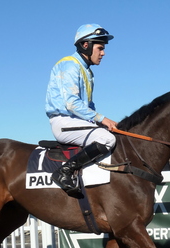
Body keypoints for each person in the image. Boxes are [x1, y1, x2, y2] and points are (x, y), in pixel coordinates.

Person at [45, 24, 117, 195]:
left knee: (113, 134)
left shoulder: (87, 71)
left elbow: (88, 107)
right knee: (108, 140)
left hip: (76, 121)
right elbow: (71, 103)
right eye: (100, 48)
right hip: (64, 121)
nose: (103, 53)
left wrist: (100, 121)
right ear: (86, 45)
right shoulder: (70, 65)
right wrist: (101, 118)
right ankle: (64, 172)